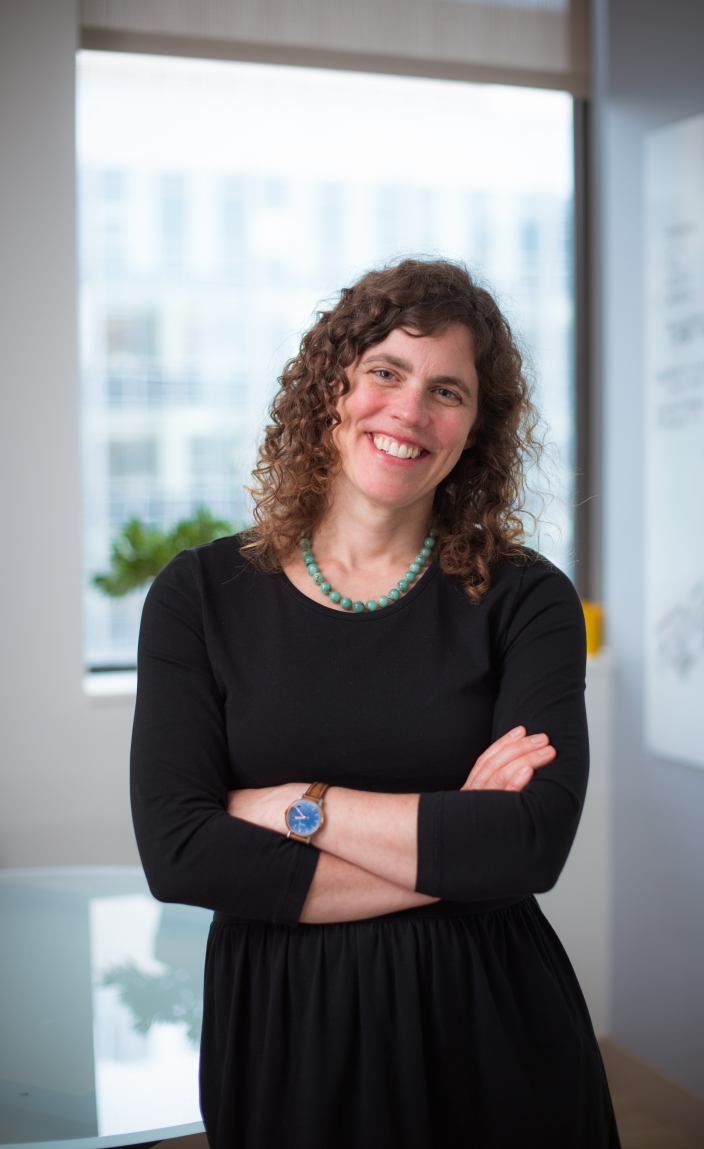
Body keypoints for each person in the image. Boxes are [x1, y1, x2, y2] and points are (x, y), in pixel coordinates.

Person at [130, 259, 620, 1149]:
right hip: (284, 1026)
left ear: (476, 428)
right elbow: (181, 855)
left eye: (447, 391)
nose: (409, 412)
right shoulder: (199, 594)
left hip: (490, 1020)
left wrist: (292, 806)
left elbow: (530, 844)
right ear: (332, 388)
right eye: (385, 372)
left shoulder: (526, 598)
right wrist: (456, 840)